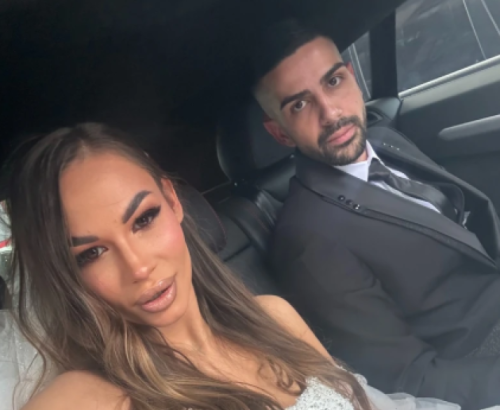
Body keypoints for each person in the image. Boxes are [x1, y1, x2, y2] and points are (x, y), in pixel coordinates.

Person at [0, 123, 466, 410]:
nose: (138, 267)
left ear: (173, 202)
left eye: (144, 219)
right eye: (91, 253)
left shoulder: (272, 317)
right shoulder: (91, 397)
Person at [251, 19, 500, 410]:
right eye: (299, 104)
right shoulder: (307, 238)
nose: (330, 113)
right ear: (279, 132)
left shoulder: (384, 139)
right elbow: (409, 377)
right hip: (480, 355)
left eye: (333, 81)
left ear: (352, 77)